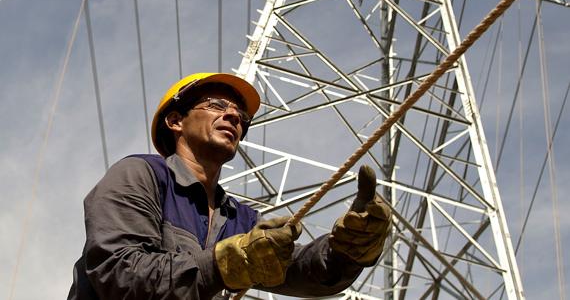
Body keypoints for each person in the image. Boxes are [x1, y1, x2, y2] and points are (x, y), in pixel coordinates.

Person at [68, 72, 392, 299]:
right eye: (216, 105)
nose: (234, 116)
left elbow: (301, 272)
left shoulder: (242, 220)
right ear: (176, 121)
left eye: (240, 115)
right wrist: (223, 264)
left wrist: (347, 250)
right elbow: (120, 275)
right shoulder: (141, 175)